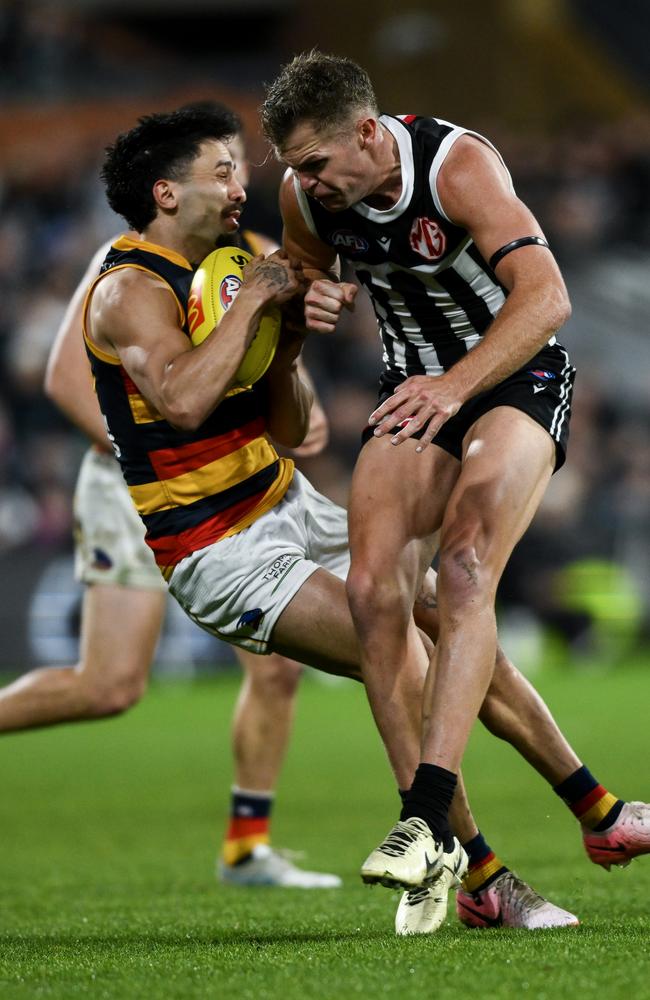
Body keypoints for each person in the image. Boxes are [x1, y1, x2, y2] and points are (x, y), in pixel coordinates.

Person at [83, 104, 647, 936]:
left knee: (460, 631)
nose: (248, 186)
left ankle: (599, 811)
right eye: (224, 171)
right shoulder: (128, 289)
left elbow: (287, 425)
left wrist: (286, 340)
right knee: (413, 658)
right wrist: (263, 299)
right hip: (221, 547)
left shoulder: (233, 268)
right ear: (166, 193)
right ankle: (484, 877)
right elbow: (182, 397)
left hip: (284, 501)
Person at [260, 51, 650, 905]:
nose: (309, 184)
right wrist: (308, 301)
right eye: (295, 170)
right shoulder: (304, 198)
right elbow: (305, 285)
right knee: (371, 591)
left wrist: (454, 383)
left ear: (367, 133)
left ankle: (429, 819)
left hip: (513, 375)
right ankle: (476, 849)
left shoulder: (456, 165)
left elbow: (546, 296)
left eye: (318, 163)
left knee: (468, 566)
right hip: (419, 391)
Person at [0, 106, 339, 890]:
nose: (236, 183)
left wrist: (299, 390)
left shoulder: (248, 257)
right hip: (134, 483)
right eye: (222, 168)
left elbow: (272, 376)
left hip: (232, 492)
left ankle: (247, 847)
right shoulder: (130, 269)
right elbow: (61, 378)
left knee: (279, 664)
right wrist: (157, 465)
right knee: (110, 686)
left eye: (238, 168)